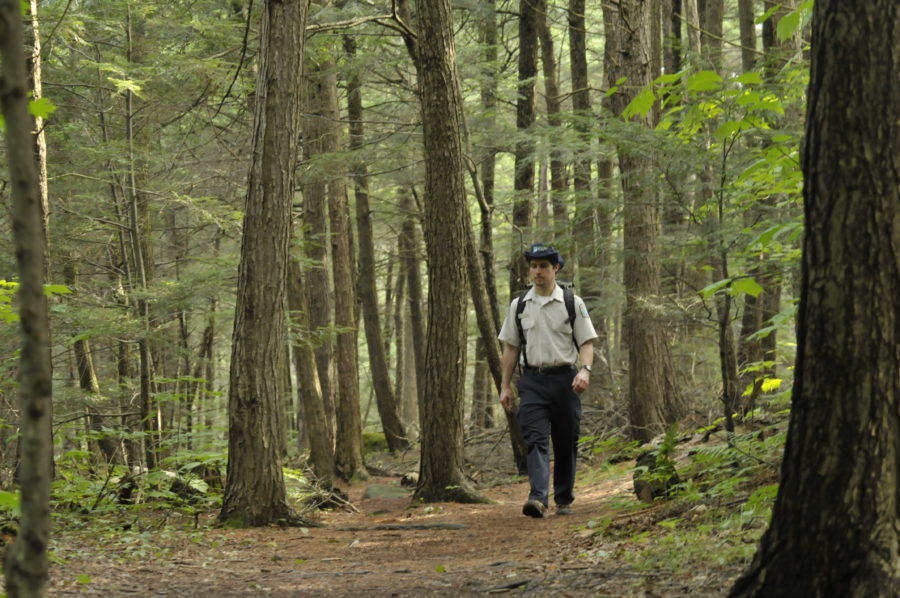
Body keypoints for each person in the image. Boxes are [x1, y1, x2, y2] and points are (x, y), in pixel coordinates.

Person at [498, 243, 597, 518]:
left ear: (556, 268)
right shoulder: (519, 305)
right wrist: (505, 386)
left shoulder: (571, 302)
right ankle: (538, 498)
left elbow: (587, 341)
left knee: (565, 441)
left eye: (543, 266)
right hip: (532, 381)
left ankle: (563, 498)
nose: (537, 271)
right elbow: (510, 348)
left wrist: (585, 370)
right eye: (533, 266)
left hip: (566, 380)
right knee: (535, 439)